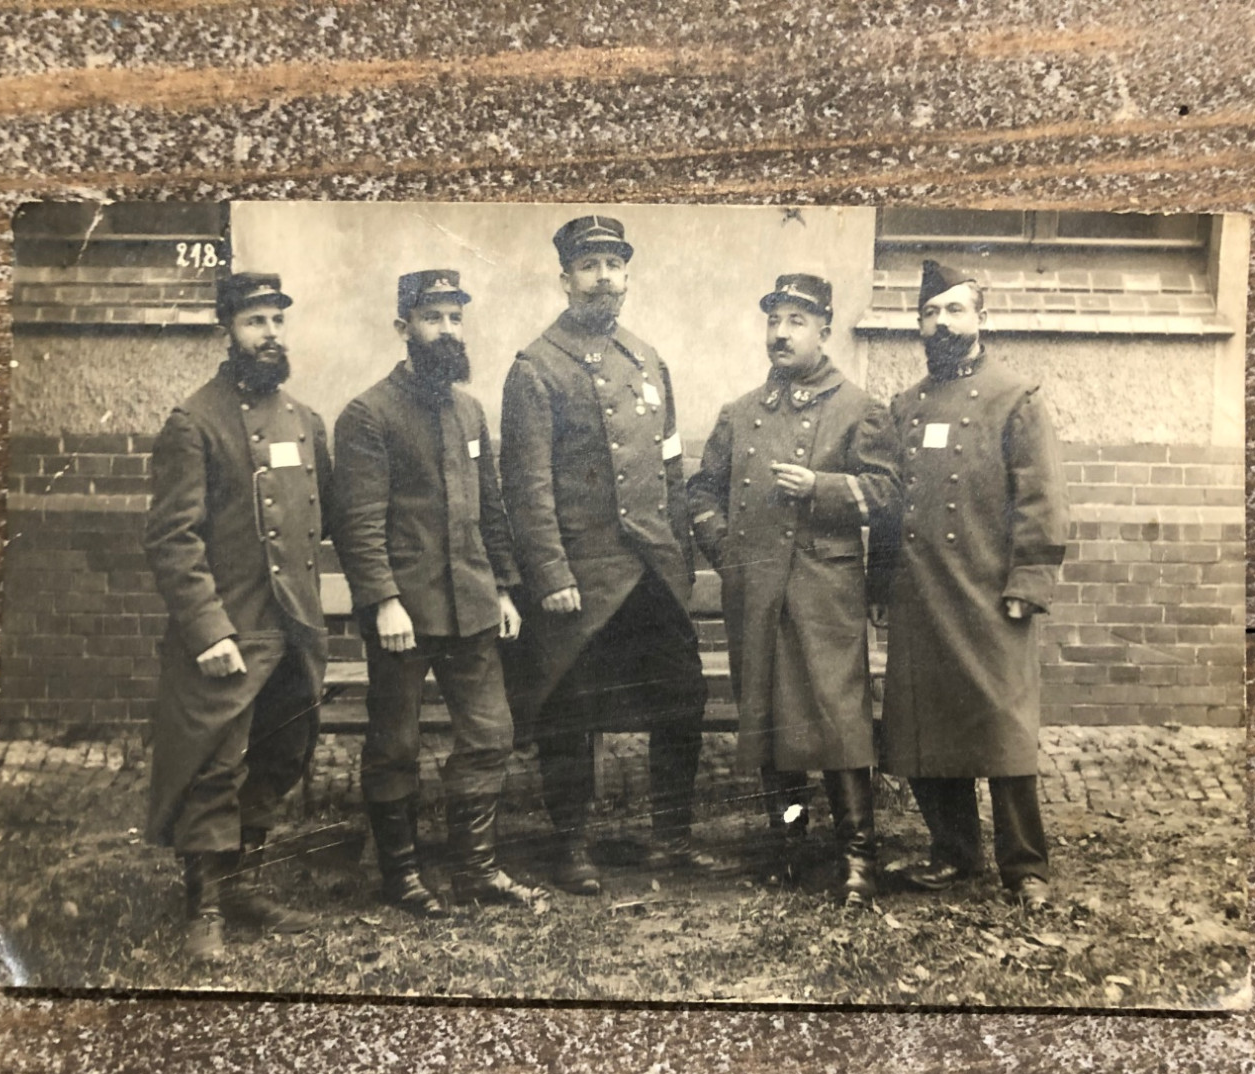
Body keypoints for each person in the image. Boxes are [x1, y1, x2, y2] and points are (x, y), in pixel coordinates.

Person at [500, 215, 718, 895]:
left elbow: (671, 471)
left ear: (627, 276)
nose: (602, 279)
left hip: (650, 572)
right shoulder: (536, 368)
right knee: (572, 711)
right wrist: (551, 576)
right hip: (580, 579)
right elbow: (526, 489)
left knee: (683, 696)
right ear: (564, 277)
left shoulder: (648, 361)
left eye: (613, 265)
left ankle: (673, 839)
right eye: (588, 266)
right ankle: (572, 846)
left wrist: (678, 564)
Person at [329, 269, 541, 916]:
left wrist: (503, 587)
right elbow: (358, 522)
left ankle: (475, 870)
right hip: (405, 611)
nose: (446, 330)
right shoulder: (368, 415)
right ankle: (402, 876)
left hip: (472, 602)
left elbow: (493, 509)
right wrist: (384, 600)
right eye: (433, 318)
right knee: (395, 744)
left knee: (489, 734)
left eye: (455, 317)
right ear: (404, 327)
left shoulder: (469, 410)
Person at [688, 274, 898, 906]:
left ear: (824, 331)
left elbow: (889, 497)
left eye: (797, 321)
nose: (781, 333)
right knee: (771, 720)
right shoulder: (742, 413)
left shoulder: (860, 409)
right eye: (774, 320)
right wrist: (727, 552)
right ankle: (789, 846)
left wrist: (823, 488)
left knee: (838, 720)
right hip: (756, 593)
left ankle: (857, 856)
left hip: (824, 590)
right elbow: (700, 491)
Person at [144, 272, 332, 963]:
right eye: (255, 321)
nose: (270, 334)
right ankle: (204, 909)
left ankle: (245, 885)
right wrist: (209, 629)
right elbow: (172, 538)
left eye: (278, 320)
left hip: (292, 633)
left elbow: (321, 521)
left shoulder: (305, 421)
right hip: (231, 633)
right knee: (216, 766)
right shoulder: (194, 423)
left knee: (280, 757)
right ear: (228, 328)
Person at [881, 259, 1069, 910]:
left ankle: (1025, 865)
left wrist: (1028, 580)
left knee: (1005, 731)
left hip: (992, 595)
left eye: (955, 310)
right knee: (927, 728)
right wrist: (884, 588)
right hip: (922, 595)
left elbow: (1041, 500)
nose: (941, 323)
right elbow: (888, 504)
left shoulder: (1016, 398)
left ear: (981, 319)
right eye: (930, 313)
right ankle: (953, 852)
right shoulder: (904, 407)